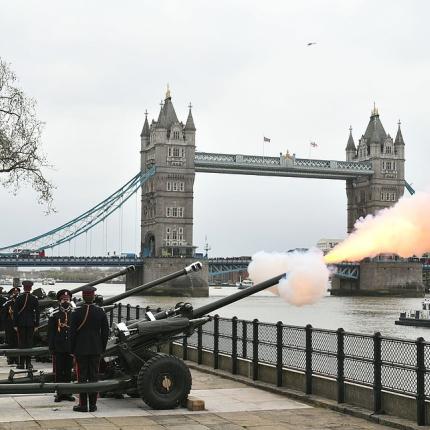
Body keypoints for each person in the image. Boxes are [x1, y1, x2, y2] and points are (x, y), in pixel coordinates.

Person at [70, 286, 109, 412]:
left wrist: (72, 349)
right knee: (94, 376)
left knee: (81, 376)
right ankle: (92, 405)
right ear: (93, 296)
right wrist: (101, 347)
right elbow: (105, 332)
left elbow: (72, 333)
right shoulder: (100, 311)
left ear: (83, 296)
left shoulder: (76, 312)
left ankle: (82, 404)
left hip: (80, 348)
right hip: (95, 348)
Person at [48, 289, 75, 402]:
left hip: (70, 346)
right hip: (58, 346)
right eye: (64, 299)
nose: (65, 301)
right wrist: (51, 347)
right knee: (59, 371)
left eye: (67, 299)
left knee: (68, 370)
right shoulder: (54, 313)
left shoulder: (74, 312)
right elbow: (51, 332)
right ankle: (59, 393)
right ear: (60, 300)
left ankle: (68, 392)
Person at [13, 280, 40, 369]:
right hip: (31, 323)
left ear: (23, 288)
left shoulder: (19, 298)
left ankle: (21, 363)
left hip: (20, 323)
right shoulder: (34, 298)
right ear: (31, 288)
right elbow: (37, 313)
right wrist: (37, 325)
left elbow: (15, 312)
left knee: (21, 343)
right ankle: (28, 363)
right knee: (29, 343)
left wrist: (15, 324)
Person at [0, 287, 20, 364]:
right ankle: (11, 358)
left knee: (18, 343)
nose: (16, 295)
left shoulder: (21, 303)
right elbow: (3, 316)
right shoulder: (7, 304)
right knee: (10, 343)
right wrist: (6, 325)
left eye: (17, 293)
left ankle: (17, 358)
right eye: (14, 293)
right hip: (10, 326)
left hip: (18, 326)